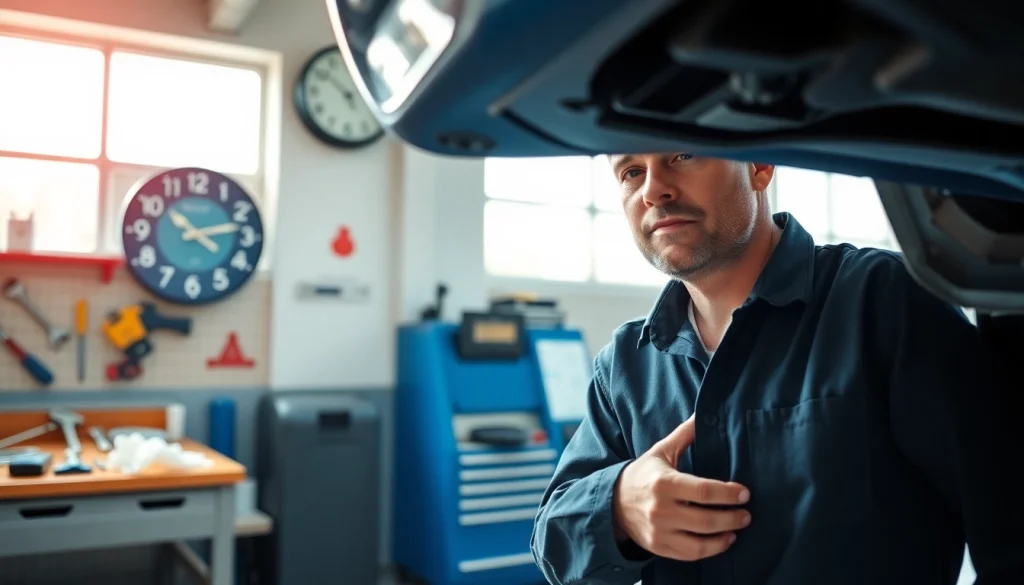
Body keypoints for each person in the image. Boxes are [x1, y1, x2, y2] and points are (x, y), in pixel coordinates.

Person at [529, 153, 1024, 584]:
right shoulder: (624, 365)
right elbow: (551, 541)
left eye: (682, 157)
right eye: (632, 172)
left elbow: (1009, 526)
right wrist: (619, 508)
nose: (654, 188)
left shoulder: (887, 300)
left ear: (760, 167)